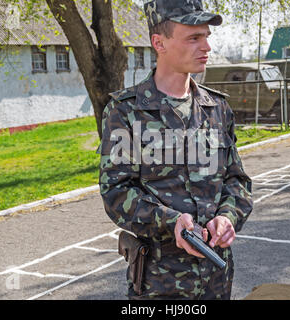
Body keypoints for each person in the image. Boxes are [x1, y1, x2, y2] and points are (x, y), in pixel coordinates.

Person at [98, 0, 253, 300]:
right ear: (159, 43)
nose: (206, 46)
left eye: (207, 36)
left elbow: (236, 181)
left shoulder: (217, 108)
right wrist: (172, 223)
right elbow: (116, 193)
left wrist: (228, 217)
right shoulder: (126, 112)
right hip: (160, 283)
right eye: (193, 38)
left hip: (217, 279)